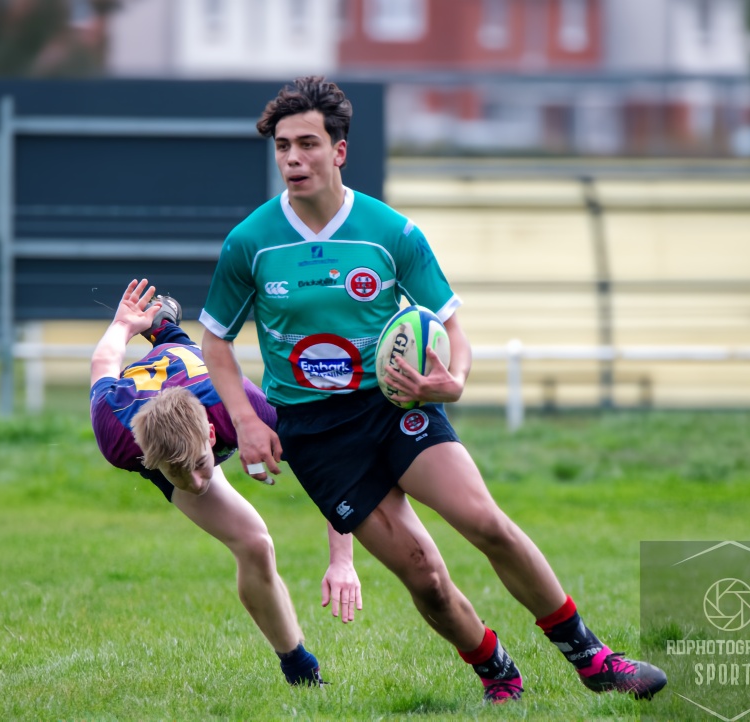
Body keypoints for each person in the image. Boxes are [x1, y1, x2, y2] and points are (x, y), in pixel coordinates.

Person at [198, 76, 667, 704]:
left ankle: (593, 658)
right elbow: (216, 342)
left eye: (307, 144)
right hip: (314, 432)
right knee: (426, 578)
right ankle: (495, 670)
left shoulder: (391, 232)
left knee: (486, 523)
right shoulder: (250, 242)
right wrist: (249, 422)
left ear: (339, 150)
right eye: (283, 146)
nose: (293, 159)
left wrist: (453, 379)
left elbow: (452, 328)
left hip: (395, 404)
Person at [90, 278, 362, 686]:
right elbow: (104, 364)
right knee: (255, 543)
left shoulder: (249, 412)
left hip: (199, 379)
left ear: (213, 435)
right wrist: (121, 325)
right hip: (156, 395)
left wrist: (342, 560)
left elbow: (335, 469)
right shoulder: (117, 433)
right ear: (148, 458)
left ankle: (165, 329)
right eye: (177, 473)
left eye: (202, 465)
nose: (197, 483)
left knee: (256, 541)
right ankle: (300, 668)